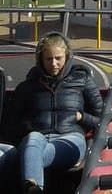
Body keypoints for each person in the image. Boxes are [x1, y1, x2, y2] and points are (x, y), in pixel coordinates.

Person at [0, 32, 103, 194]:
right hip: (36, 139)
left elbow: (103, 121)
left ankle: (32, 187)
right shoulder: (27, 86)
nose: (54, 64)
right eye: (48, 59)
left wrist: (82, 117)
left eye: (58, 58)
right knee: (33, 139)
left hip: (71, 139)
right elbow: (12, 123)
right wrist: (28, 127)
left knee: (29, 155)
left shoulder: (82, 80)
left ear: (67, 57)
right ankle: (33, 189)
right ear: (41, 60)